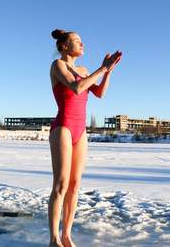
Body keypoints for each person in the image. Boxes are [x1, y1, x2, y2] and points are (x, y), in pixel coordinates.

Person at [48, 29, 122, 247]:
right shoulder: (58, 66)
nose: (82, 44)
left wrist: (108, 72)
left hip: (81, 130)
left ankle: (67, 235)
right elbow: (78, 87)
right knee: (60, 185)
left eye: (82, 41)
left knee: (74, 185)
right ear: (63, 46)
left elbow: (98, 93)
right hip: (63, 127)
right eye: (77, 41)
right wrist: (102, 68)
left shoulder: (83, 69)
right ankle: (54, 239)